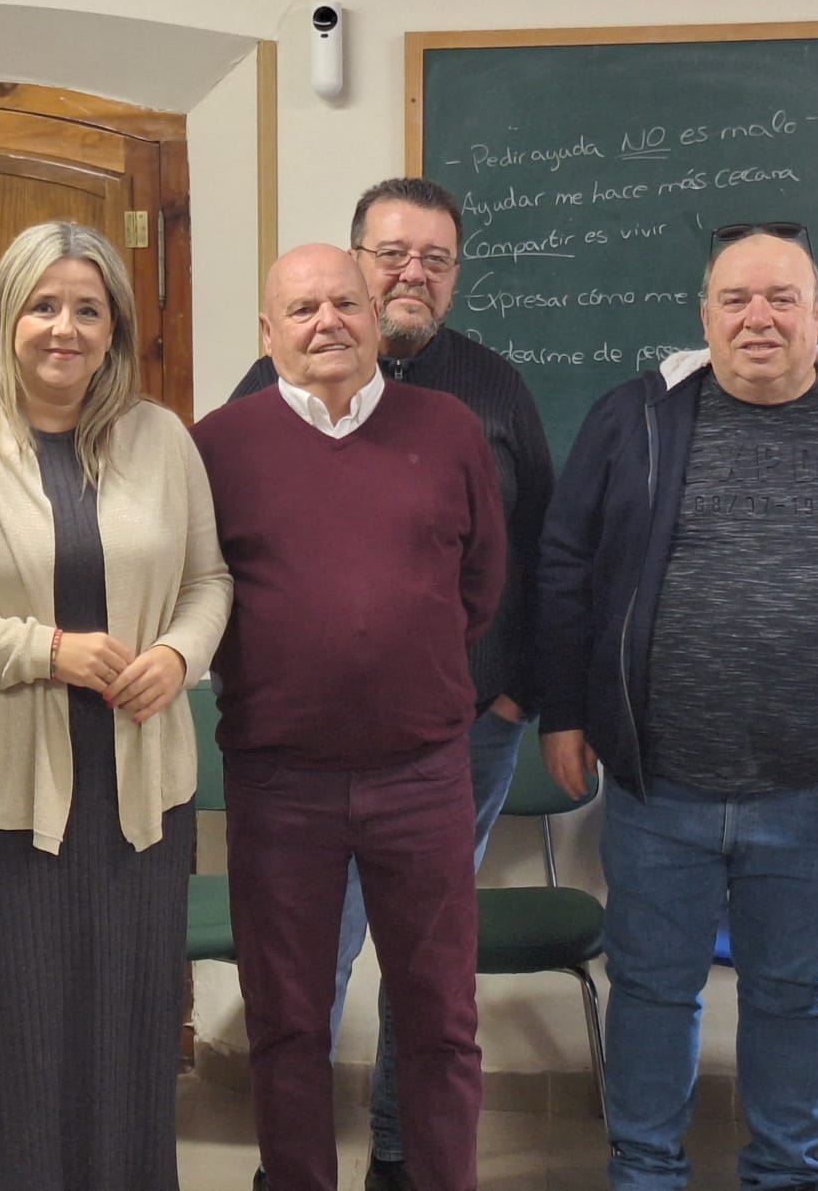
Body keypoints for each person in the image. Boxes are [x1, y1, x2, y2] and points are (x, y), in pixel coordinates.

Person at [537, 222, 818, 1190]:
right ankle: (644, 1172)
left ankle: (787, 1175)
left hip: (814, 793)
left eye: (782, 299)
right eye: (736, 300)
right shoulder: (633, 415)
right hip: (657, 785)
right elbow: (564, 564)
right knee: (651, 993)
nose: (759, 318)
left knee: (794, 999)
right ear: (705, 316)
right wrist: (563, 712)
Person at [227, 179, 552, 1190]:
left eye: (346, 305)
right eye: (305, 308)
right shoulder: (221, 440)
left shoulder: (459, 419)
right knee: (290, 1011)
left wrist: (441, 675)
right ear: (270, 331)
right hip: (281, 776)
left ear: (376, 316)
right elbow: (208, 588)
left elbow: (493, 574)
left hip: (427, 764)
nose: (330, 321)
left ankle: (420, 1172)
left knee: (438, 1013)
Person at [0, 222, 231, 1190]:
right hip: (6, 808)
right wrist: (44, 651)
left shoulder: (163, 439)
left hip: (142, 801)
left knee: (133, 1042)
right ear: (8, 317)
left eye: (88, 309)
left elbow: (209, 580)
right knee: (20, 1048)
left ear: (115, 326)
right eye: (44, 306)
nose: (65, 329)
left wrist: (178, 655)